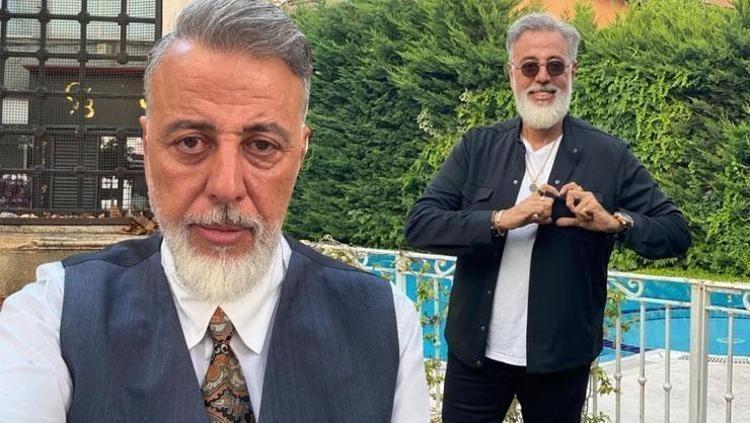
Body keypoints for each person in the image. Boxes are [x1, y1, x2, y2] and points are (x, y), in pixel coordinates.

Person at [0, 0, 429, 421]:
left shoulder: (385, 326)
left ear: (300, 153)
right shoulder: (52, 318)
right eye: (190, 142)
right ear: (147, 147)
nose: (226, 187)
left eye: (262, 146)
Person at [404, 12, 691, 423]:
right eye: (529, 67)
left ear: (572, 71)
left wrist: (616, 223)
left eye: (555, 66)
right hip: (476, 357)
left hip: (560, 359)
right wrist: (501, 219)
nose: (542, 77)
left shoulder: (609, 156)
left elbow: (676, 233)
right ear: (512, 74)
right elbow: (421, 223)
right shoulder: (478, 148)